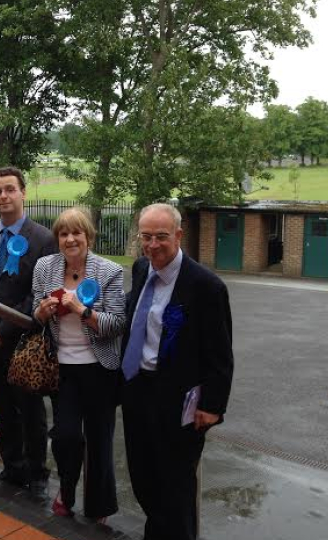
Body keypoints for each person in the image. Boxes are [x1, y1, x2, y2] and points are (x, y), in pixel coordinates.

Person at [121, 203, 234, 540]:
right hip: (137, 389)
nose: (153, 245)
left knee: (176, 487)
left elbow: (220, 353)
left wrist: (212, 406)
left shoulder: (206, 286)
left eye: (161, 237)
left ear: (179, 235)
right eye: (146, 237)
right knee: (142, 477)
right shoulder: (142, 268)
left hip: (179, 401)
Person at [31, 208, 126, 521]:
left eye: (77, 233)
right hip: (63, 367)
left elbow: (116, 324)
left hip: (100, 368)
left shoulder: (109, 271)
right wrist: (43, 311)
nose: (70, 239)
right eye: (63, 233)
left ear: (89, 237)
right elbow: (35, 311)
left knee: (99, 440)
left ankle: (99, 506)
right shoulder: (45, 267)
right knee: (66, 436)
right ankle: (67, 490)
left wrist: (83, 311)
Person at [0, 166, 57, 496]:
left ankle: (37, 472)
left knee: (30, 409)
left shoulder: (43, 238)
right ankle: (12, 465)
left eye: (9, 189)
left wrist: (4, 328)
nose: (3, 196)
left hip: (24, 338)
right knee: (1, 405)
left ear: (23, 193)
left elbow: (39, 293)